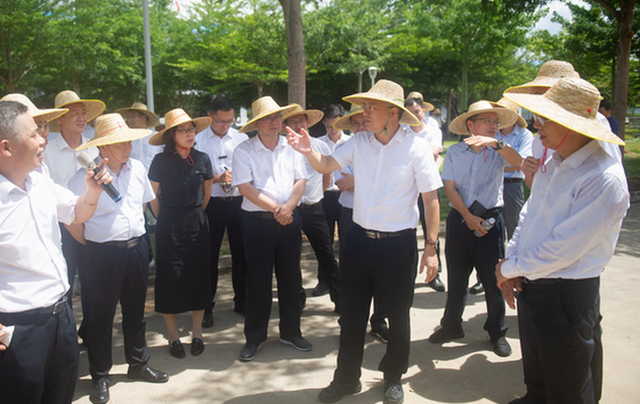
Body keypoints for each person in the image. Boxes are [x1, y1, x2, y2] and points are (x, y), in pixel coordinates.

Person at [288, 79, 442, 404]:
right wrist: (308, 151)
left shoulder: (415, 148)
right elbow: (326, 165)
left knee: (399, 317)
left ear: (394, 113)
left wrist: (431, 248)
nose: (364, 112)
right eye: (365, 106)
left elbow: (430, 200)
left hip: (397, 245)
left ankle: (393, 377)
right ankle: (346, 379)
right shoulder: (359, 142)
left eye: (372, 107)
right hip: (357, 240)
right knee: (352, 315)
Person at [498, 77, 628, 404]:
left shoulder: (603, 178)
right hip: (534, 281)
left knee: (567, 385)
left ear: (573, 126)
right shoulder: (554, 162)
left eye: (546, 119)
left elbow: (564, 247)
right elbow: (530, 214)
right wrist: (512, 260)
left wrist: (511, 267)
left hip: (566, 292)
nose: (537, 126)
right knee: (539, 377)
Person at [0, 100, 111, 404]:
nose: (43, 139)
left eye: (42, 131)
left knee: (61, 395)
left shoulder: (40, 180)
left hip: (61, 317)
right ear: (7, 147)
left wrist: (91, 191)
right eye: (34, 134)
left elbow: (77, 212)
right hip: (18, 329)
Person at [69, 114, 169, 404]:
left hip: (136, 249)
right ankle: (101, 376)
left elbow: (142, 205)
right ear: (103, 148)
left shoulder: (137, 168)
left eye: (128, 141)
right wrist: (94, 247)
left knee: (136, 313)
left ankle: (138, 363)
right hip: (101, 253)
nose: (127, 147)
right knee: (100, 318)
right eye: (120, 143)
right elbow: (73, 221)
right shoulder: (82, 180)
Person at [428, 100, 522, 358]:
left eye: (495, 122)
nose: (493, 126)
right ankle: (451, 326)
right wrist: (468, 217)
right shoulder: (456, 152)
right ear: (471, 125)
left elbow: (519, 162)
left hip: (490, 221)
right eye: (487, 121)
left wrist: (497, 144)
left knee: (493, 280)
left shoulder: (499, 150)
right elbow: (449, 189)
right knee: (457, 279)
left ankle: (497, 331)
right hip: (461, 220)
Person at [232, 96, 310, 362]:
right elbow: (246, 188)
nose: (275, 123)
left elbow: (301, 180)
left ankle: (291, 332)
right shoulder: (244, 151)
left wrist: (289, 206)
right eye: (268, 118)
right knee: (258, 282)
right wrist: (279, 210)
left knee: (291, 279)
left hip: (289, 219)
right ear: (256, 124)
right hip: (259, 223)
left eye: (278, 117)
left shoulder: (292, 148)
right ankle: (254, 337)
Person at [148, 109, 214, 359]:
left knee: (198, 275)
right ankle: (173, 336)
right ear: (171, 135)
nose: (189, 134)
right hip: (169, 223)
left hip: (197, 221)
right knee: (170, 277)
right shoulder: (160, 161)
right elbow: (153, 196)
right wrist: (165, 216)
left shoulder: (203, 158)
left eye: (192, 129)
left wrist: (193, 212)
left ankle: (197, 333)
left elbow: (206, 194)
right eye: (183, 130)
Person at [43, 90, 106, 346]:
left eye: (83, 113)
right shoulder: (46, 149)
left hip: (91, 223)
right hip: (59, 229)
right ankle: (65, 340)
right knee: (63, 285)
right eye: (74, 113)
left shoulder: (94, 146)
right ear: (60, 119)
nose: (81, 118)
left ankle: (90, 334)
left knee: (93, 283)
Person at [504, 60, 622, 188]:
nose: (534, 100)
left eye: (540, 94)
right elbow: (537, 188)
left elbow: (610, 172)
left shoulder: (591, 120)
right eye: (533, 94)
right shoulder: (539, 137)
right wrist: (528, 173)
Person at [332, 105, 389, 344]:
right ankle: (350, 319)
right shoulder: (343, 148)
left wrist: (361, 180)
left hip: (379, 218)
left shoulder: (384, 147)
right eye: (354, 123)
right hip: (350, 215)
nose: (359, 127)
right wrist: (373, 180)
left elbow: (390, 184)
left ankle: (379, 321)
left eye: (362, 122)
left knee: (381, 272)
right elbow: (342, 183)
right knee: (350, 269)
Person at [468, 98, 533, 296]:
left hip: (511, 186)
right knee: (485, 232)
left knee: (515, 229)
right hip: (489, 185)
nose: (496, 123)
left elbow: (519, 162)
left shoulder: (524, 135)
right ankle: (484, 278)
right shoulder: (490, 134)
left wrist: (497, 157)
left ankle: (515, 273)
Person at [195, 96, 249, 327]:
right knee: (208, 257)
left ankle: (243, 301)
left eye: (229, 121)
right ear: (210, 116)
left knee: (242, 255)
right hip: (211, 203)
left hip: (238, 201)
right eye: (220, 121)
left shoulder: (241, 138)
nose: (225, 126)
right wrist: (216, 179)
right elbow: (193, 175)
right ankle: (206, 307)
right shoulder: (197, 141)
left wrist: (235, 179)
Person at [282, 105, 340, 312]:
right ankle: (297, 299)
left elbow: (326, 176)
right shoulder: (281, 148)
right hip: (291, 209)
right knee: (291, 257)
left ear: (308, 123)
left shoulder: (319, 146)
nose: (298, 126)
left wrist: (318, 195)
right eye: (292, 122)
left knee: (326, 255)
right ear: (286, 125)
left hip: (315, 208)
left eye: (301, 121)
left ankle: (339, 300)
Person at [404, 96, 446, 292]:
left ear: (423, 111)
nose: (414, 115)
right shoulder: (402, 132)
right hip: (407, 188)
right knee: (407, 229)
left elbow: (434, 154)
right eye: (410, 112)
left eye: (417, 111)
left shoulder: (433, 131)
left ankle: (434, 273)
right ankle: (408, 274)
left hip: (426, 187)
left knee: (431, 229)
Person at [317, 104, 349, 296]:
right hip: (325, 195)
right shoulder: (319, 144)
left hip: (347, 195)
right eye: (329, 127)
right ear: (324, 124)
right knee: (324, 241)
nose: (333, 130)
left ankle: (345, 281)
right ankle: (323, 281)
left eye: (336, 126)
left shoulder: (351, 142)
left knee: (347, 240)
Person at [0, 93, 68, 175]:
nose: (46, 133)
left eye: (45, 126)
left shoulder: (41, 168)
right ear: (6, 147)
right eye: (38, 127)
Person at [115, 102, 161, 172]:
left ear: (143, 118)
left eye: (133, 117)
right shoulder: (126, 139)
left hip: (153, 180)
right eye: (128, 117)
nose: (129, 120)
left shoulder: (156, 138)